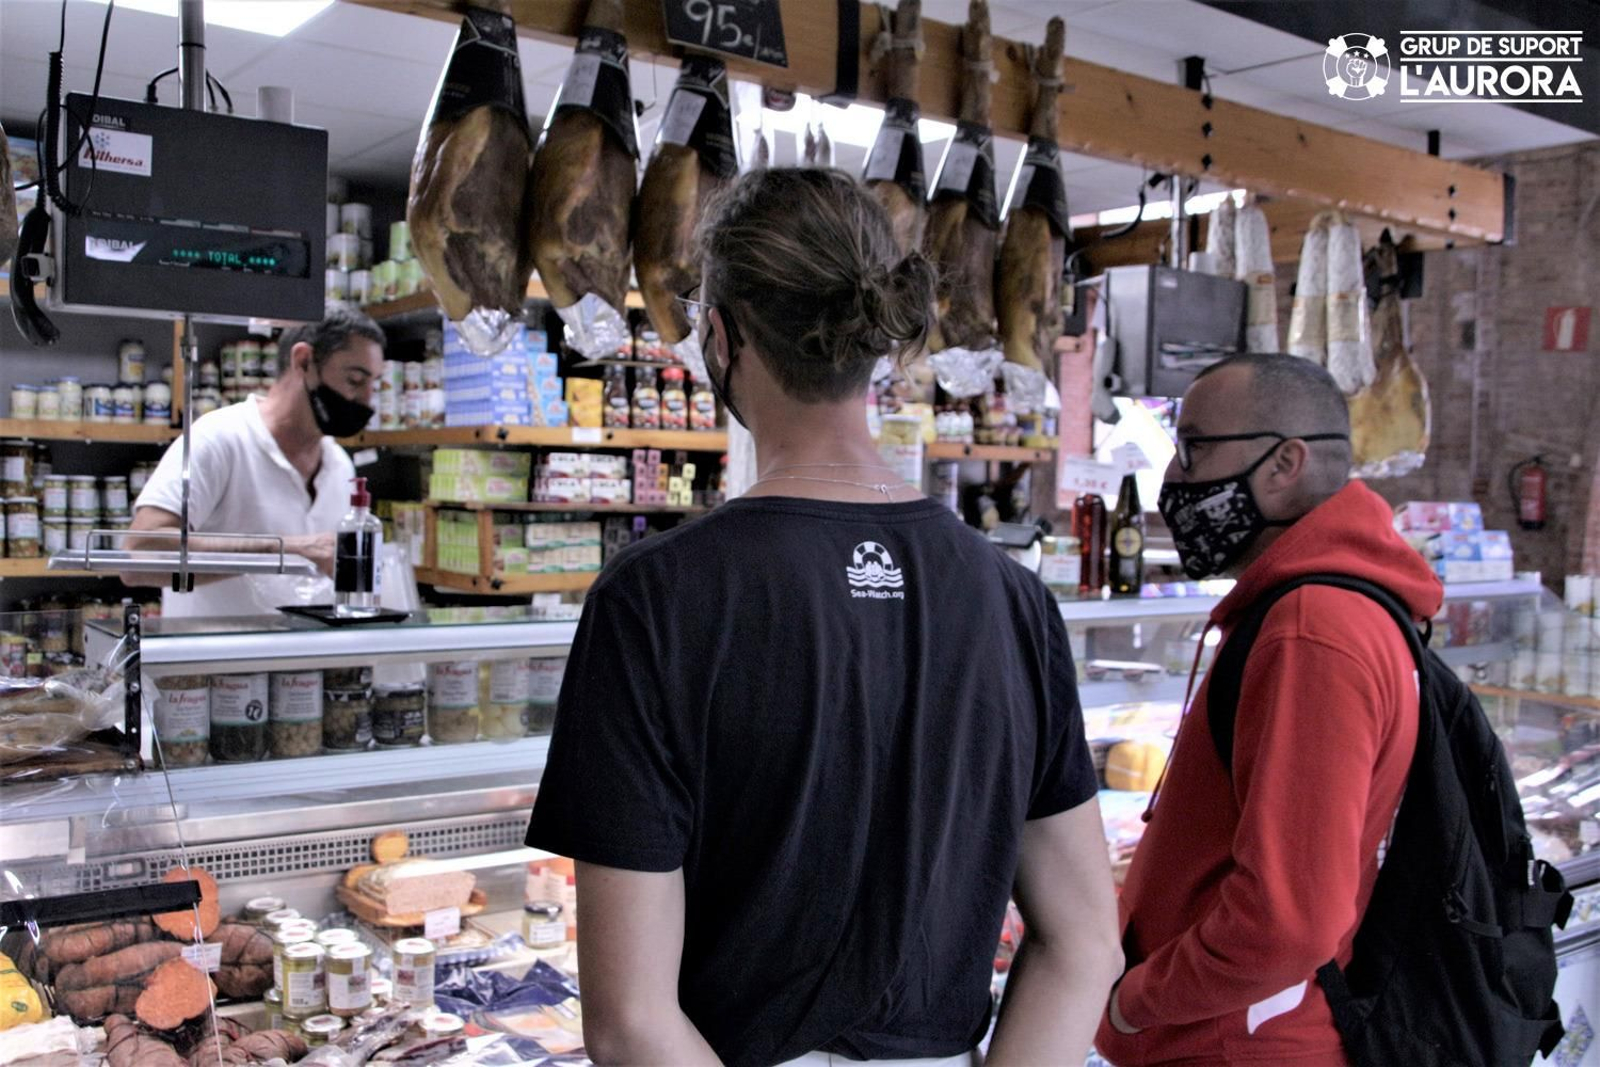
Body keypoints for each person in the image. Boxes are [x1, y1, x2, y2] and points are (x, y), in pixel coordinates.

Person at [526, 168, 1121, 1067]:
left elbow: (631, 1021)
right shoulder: (1011, 597)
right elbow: (1084, 946)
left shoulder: (654, 598)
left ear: (721, 335)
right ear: (878, 338)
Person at [1095, 352, 1444, 1065]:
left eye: (1193, 447)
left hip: (1235, 1041)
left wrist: (1133, 1002)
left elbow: (1289, 920)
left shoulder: (1312, 627)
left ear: (1285, 463)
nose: (1175, 478)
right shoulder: (1327, 605)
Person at [125, 303, 383, 617]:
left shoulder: (339, 465)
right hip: (210, 663)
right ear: (303, 361)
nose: (368, 401)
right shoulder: (219, 438)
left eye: (375, 385)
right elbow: (138, 557)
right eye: (355, 380)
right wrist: (284, 549)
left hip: (301, 662)